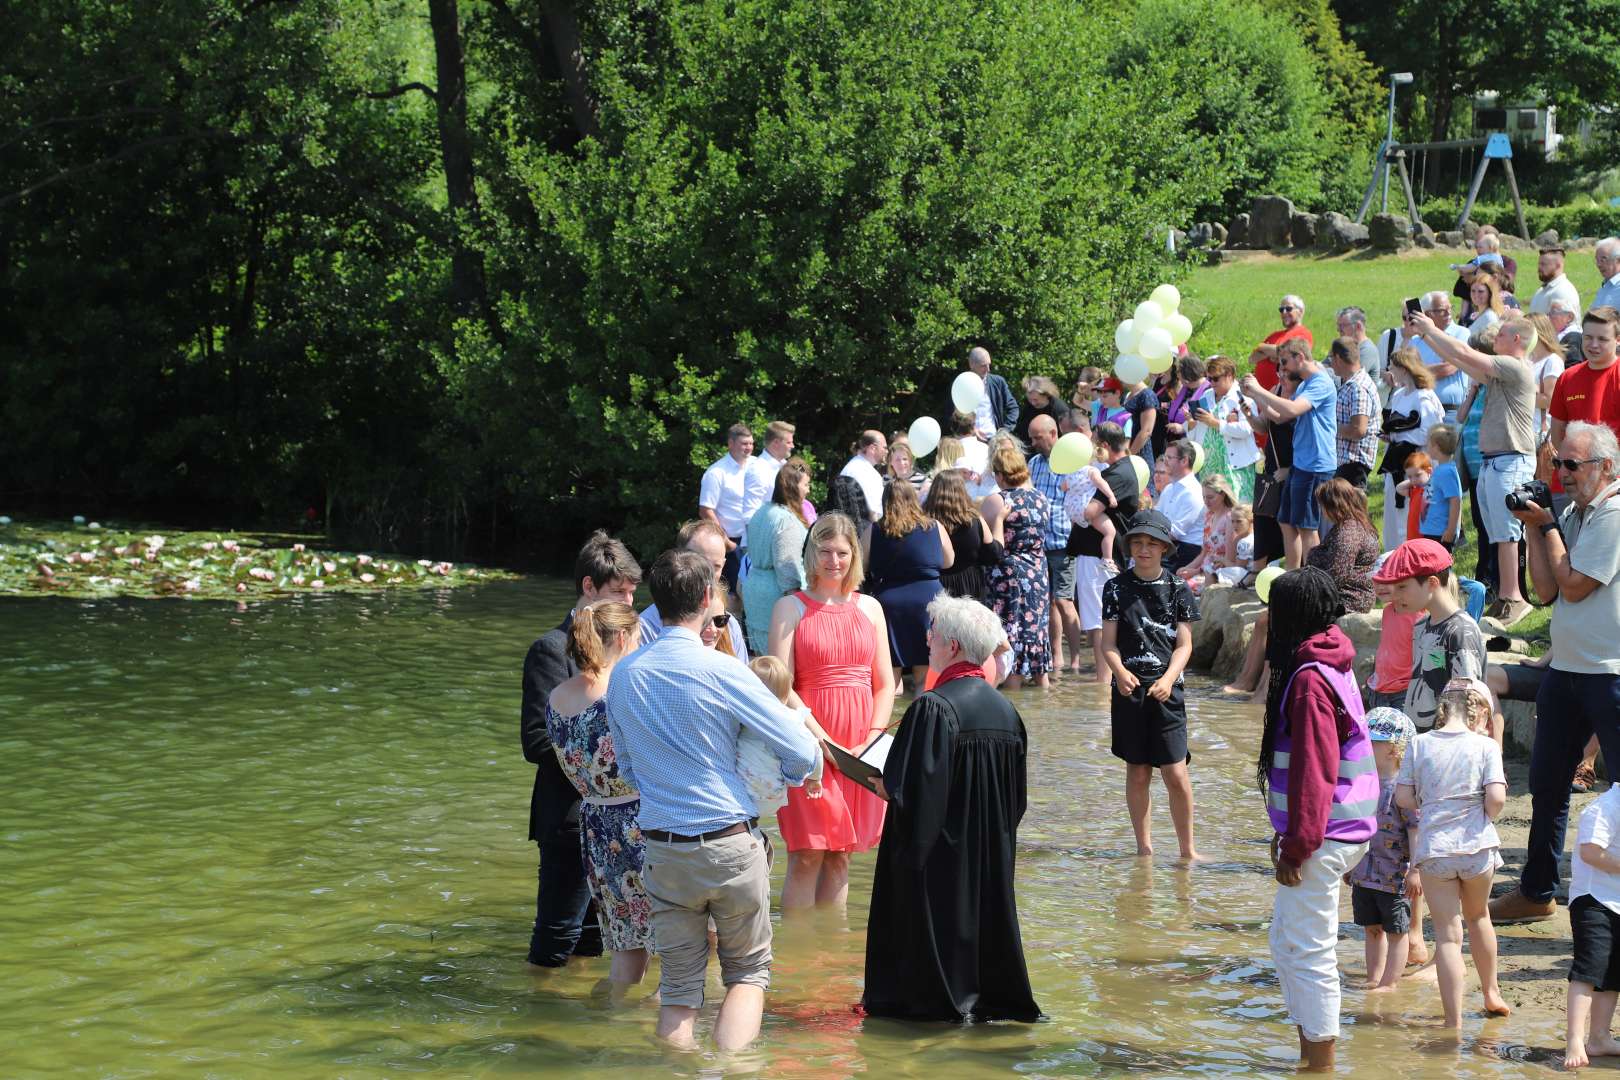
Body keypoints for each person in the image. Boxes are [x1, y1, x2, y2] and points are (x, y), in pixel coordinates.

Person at [605, 549, 820, 1051]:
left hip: (662, 848)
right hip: (728, 844)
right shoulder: (725, 671)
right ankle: (726, 1070)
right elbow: (801, 747)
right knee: (747, 974)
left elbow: (628, 770)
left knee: (678, 989)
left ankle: (677, 1069)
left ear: (655, 603)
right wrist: (781, 777)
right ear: (706, 598)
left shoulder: (625, 675)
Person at [862, 595, 1041, 1023]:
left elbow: (913, 796)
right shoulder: (1008, 712)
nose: (928, 641)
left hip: (939, 862)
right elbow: (1017, 802)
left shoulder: (932, 708)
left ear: (953, 647)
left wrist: (887, 788)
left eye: (934, 635)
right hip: (991, 858)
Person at [1493, 421, 1620, 924]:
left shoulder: (1613, 513)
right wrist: (1532, 524)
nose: (1560, 473)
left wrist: (1547, 525)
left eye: (1571, 464)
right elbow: (1544, 590)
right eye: (1556, 463)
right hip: (1566, 671)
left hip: (1610, 675)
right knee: (1547, 786)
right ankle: (1538, 889)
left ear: (1604, 467)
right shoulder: (1577, 511)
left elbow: (1573, 586)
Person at [1257, 566, 1374, 1072]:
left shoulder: (1308, 680)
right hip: (1341, 830)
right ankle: (1310, 1048)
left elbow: (1314, 771)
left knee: (1308, 951)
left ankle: (1320, 1062)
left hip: (1323, 835)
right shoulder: (1333, 657)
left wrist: (1297, 845)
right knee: (1285, 939)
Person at [519, 531, 641, 969]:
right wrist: (599, 767)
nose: (628, 604)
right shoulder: (550, 650)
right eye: (617, 593)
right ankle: (537, 1023)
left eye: (631, 593)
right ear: (588, 588)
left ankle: (579, 1023)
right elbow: (536, 741)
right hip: (569, 818)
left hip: (615, 821)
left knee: (596, 942)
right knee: (555, 940)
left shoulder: (629, 648)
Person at [769, 512, 896, 910]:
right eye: (824, 551)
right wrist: (821, 739)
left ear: (853, 556)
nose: (833, 560)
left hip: (861, 745)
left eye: (842, 552)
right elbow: (779, 683)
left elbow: (887, 683)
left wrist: (872, 739)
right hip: (809, 742)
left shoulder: (871, 607)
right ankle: (798, 959)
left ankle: (832, 961)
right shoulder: (790, 607)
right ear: (811, 554)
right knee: (807, 853)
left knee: (840, 855)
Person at [544, 601, 651, 992]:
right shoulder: (624, 694)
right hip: (639, 824)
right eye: (638, 639)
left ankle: (613, 1020)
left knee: (626, 946)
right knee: (678, 946)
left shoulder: (557, 697)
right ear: (622, 638)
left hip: (596, 827)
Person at [1407, 310, 1540, 621]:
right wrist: (1427, 335)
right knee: (1497, 533)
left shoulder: (1514, 366)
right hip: (1496, 461)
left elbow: (1464, 352)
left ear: (1517, 339)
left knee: (1507, 532)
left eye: (1502, 334)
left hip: (1511, 458)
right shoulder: (1502, 370)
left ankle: (1513, 597)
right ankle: (1507, 595)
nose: (1496, 338)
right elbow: (1464, 360)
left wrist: (1429, 329)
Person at [1395, 677, 1511, 1028]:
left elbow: (1402, 798)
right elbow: (1497, 799)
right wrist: (1484, 815)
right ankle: (1491, 992)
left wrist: (1427, 803)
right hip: (1477, 848)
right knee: (1479, 919)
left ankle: (1453, 1021)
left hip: (1436, 851)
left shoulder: (1419, 743)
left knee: (1447, 934)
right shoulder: (1486, 747)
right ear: (1480, 712)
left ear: (1442, 708)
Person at [1101, 510, 1201, 860]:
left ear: (1164, 549)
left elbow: (1185, 645)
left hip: (1168, 691)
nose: (1144, 549)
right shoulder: (1115, 587)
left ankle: (1187, 852)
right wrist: (1119, 671)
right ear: (1129, 547)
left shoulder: (1178, 589)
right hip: (1128, 690)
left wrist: (1169, 679)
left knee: (1176, 772)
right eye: (1138, 543)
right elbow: (1108, 644)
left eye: (1152, 544)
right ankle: (1144, 849)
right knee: (1138, 771)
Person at [1372, 539, 1487, 733]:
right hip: (1421, 742)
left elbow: (1468, 705)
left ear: (1432, 583)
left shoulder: (1460, 632)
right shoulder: (1421, 628)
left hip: (1449, 751)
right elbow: (1434, 676)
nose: (1394, 594)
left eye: (1401, 587)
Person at [1242, 338, 1337, 568]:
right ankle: (1292, 577)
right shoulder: (1304, 384)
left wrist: (1258, 390)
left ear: (1300, 357)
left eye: (1284, 361)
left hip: (1316, 464)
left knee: (1307, 526)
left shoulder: (1320, 382)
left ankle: (1312, 579)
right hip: (1302, 463)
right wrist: (1255, 397)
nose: (1282, 368)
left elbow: (1294, 409)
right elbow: (1280, 416)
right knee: (1286, 521)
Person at [1348, 708, 1420, 993]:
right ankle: (1373, 978)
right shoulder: (1364, 784)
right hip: (1365, 874)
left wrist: (1415, 870)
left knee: (1396, 931)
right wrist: (1349, 863)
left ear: (1394, 749)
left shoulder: (1403, 791)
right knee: (1371, 928)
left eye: (1372, 742)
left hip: (1395, 877)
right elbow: (1354, 829)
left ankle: (1390, 982)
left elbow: (1415, 832)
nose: (1364, 746)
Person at [865, 479, 953, 688]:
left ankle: (890, 717)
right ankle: (922, 717)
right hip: (930, 601)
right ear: (913, 499)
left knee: (890, 673)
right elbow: (949, 561)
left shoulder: (874, 529)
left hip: (889, 603)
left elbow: (861, 565)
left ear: (886, 501)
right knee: (925, 668)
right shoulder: (934, 526)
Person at [982, 442, 1053, 689]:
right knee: (1036, 630)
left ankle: (1013, 689)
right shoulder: (1041, 499)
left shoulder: (995, 500)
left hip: (1008, 575)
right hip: (1038, 573)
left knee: (1010, 630)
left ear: (1000, 475)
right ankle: (1042, 685)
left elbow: (988, 541)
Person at [1565, 778, 1620, 1070]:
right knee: (1589, 969)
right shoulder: (1604, 808)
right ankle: (1575, 1039)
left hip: (1617, 900)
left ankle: (1599, 1037)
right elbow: (1590, 852)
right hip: (1593, 899)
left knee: (1613, 973)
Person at [640, 520, 748, 657]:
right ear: (678, 560)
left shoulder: (728, 624)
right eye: (699, 564)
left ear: (723, 565)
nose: (707, 575)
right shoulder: (646, 626)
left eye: (716, 567)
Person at [1027, 414, 1081, 670]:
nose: (1034, 442)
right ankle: (1056, 655)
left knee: (1064, 600)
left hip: (1064, 540)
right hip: (1039, 542)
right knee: (1049, 602)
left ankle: (1077, 659)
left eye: (1038, 437)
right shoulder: (1034, 463)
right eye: (1032, 438)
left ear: (1053, 434)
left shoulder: (1071, 462)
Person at [1377, 347, 1445, 549]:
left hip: (1417, 464)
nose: (1390, 370)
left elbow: (1428, 432)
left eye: (1393, 366)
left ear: (1404, 369)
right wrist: (1391, 436)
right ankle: (1395, 556)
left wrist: (1398, 436)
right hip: (1397, 463)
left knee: (1411, 513)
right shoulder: (1398, 395)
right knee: (1394, 513)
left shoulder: (1424, 397)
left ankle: (1412, 557)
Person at [741, 459, 811, 655]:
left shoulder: (762, 511)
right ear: (793, 486)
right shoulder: (785, 520)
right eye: (805, 484)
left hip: (755, 589)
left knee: (764, 663)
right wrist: (797, 605)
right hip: (776, 599)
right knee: (781, 666)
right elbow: (787, 569)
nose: (808, 490)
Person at [1191, 355, 1259, 501]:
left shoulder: (1242, 398)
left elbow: (1247, 429)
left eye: (1216, 379)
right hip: (1209, 463)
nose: (1212, 383)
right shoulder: (1207, 395)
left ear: (1229, 375)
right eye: (1209, 379)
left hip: (1234, 464)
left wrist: (1216, 423)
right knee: (1212, 506)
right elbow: (1201, 428)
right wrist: (1192, 423)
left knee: (1238, 505)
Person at [924, 469, 997, 601]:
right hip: (970, 585)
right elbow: (993, 554)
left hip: (937, 586)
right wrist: (999, 522)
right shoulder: (974, 519)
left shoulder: (924, 523)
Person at [1552, 307, 1620, 446]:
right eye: (1588, 337)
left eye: (1602, 339)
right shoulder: (1567, 377)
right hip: (1575, 465)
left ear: (1618, 340)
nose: (1594, 345)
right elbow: (1557, 434)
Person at [699, 423, 755, 590]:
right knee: (734, 594)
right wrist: (727, 542)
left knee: (753, 590)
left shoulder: (757, 466)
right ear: (731, 443)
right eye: (744, 444)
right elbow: (705, 510)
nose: (749, 448)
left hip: (754, 539)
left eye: (751, 443)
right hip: (732, 543)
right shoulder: (716, 473)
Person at [1329, 338, 1380, 490]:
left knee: (1350, 513)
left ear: (1338, 358)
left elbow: (1358, 430)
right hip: (1346, 464)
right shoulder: (1351, 384)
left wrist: (1330, 426)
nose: (1330, 363)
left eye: (1331, 357)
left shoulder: (1358, 388)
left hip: (1353, 466)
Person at [1153, 439, 1206, 571]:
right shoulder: (1169, 488)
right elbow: (1155, 518)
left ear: (1184, 461)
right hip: (1168, 546)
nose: (1165, 461)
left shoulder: (1193, 492)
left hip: (1185, 552)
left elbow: (1175, 532)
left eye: (1169, 457)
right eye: (1165, 457)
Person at [1414, 424, 1463, 550]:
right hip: (1432, 531)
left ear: (1436, 446)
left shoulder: (1447, 472)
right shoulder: (1440, 470)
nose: (1427, 447)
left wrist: (1451, 530)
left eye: (1428, 444)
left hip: (1440, 533)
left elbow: (1455, 501)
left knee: (1441, 569)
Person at [966, 346, 1019, 437]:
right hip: (970, 438)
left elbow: (1013, 408)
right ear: (971, 365)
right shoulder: (962, 384)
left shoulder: (998, 382)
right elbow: (953, 415)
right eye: (983, 366)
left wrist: (1005, 431)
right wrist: (970, 429)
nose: (988, 369)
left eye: (989, 364)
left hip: (994, 439)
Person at [840, 430, 889, 521]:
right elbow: (874, 514)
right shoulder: (869, 475)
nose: (887, 451)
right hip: (864, 531)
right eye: (884, 448)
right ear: (872, 448)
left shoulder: (850, 467)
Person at [1012, 375, 1070, 447]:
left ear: (1046, 395)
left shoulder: (1059, 409)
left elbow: (1067, 436)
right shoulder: (1027, 408)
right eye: (1030, 400)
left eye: (1036, 400)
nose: (1033, 403)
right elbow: (1019, 432)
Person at [1529, 246, 1581, 316]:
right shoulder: (1541, 291)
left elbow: (1565, 324)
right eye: (1539, 264)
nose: (1539, 268)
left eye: (1543, 264)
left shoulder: (1563, 291)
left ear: (1558, 265)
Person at [1122, 372, 1159, 468]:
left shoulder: (1147, 395)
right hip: (1124, 451)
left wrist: (1129, 456)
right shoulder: (1127, 395)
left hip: (1139, 453)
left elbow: (1146, 431)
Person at [1337, 306, 1380, 377]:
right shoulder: (1343, 346)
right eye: (1338, 326)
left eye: (1343, 326)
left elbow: (1350, 376)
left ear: (1358, 326)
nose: (1338, 329)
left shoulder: (1367, 350)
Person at [1595, 237, 1620, 312]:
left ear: (1618, 260)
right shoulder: (1606, 286)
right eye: (1597, 260)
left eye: (1603, 259)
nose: (1598, 264)